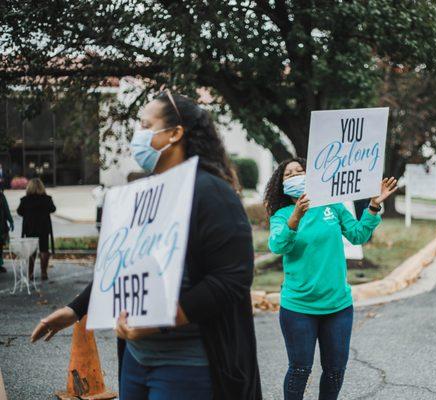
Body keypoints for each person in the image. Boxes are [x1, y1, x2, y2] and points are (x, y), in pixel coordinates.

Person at [30, 91, 262, 400]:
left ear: (175, 133)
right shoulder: (142, 193)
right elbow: (123, 265)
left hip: (188, 367)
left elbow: (230, 280)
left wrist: (159, 323)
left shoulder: (212, 193)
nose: (137, 134)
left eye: (145, 124)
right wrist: (75, 310)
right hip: (136, 361)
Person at [265, 158, 398, 400]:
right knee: (300, 370)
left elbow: (358, 235)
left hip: (338, 305)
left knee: (335, 371)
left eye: (300, 171)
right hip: (298, 307)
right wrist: (295, 217)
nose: (296, 175)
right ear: (281, 184)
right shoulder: (281, 215)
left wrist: (374, 206)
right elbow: (277, 245)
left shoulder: (332, 205)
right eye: (289, 174)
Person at [17, 178, 55, 281]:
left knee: (31, 251)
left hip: (30, 228)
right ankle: (44, 273)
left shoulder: (25, 200)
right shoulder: (47, 199)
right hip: (44, 227)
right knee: (44, 249)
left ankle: (30, 274)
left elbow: (19, 212)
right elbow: (53, 209)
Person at [0, 188, 14, 273]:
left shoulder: (1, 196)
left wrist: (11, 221)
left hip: (1, 226)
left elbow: (6, 210)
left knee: (0, 245)